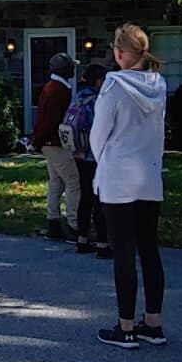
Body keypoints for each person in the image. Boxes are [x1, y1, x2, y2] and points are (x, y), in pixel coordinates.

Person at [89, 24, 170, 349]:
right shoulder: (159, 84)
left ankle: (125, 327)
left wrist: (103, 159)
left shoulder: (113, 85)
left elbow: (99, 132)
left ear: (120, 53)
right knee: (150, 250)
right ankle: (153, 321)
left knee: (123, 251)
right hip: (149, 174)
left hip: (119, 175)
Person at [32, 52, 82, 241]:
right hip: (55, 143)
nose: (73, 69)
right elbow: (50, 120)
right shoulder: (58, 90)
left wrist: (36, 140)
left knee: (56, 182)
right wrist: (37, 140)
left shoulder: (53, 87)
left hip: (49, 142)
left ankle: (53, 221)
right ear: (63, 69)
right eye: (70, 66)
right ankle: (74, 225)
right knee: (73, 181)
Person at [63, 64, 111, 257]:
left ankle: (82, 239)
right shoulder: (98, 100)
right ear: (98, 80)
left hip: (79, 154)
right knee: (99, 198)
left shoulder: (78, 97)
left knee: (85, 196)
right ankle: (101, 243)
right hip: (95, 155)